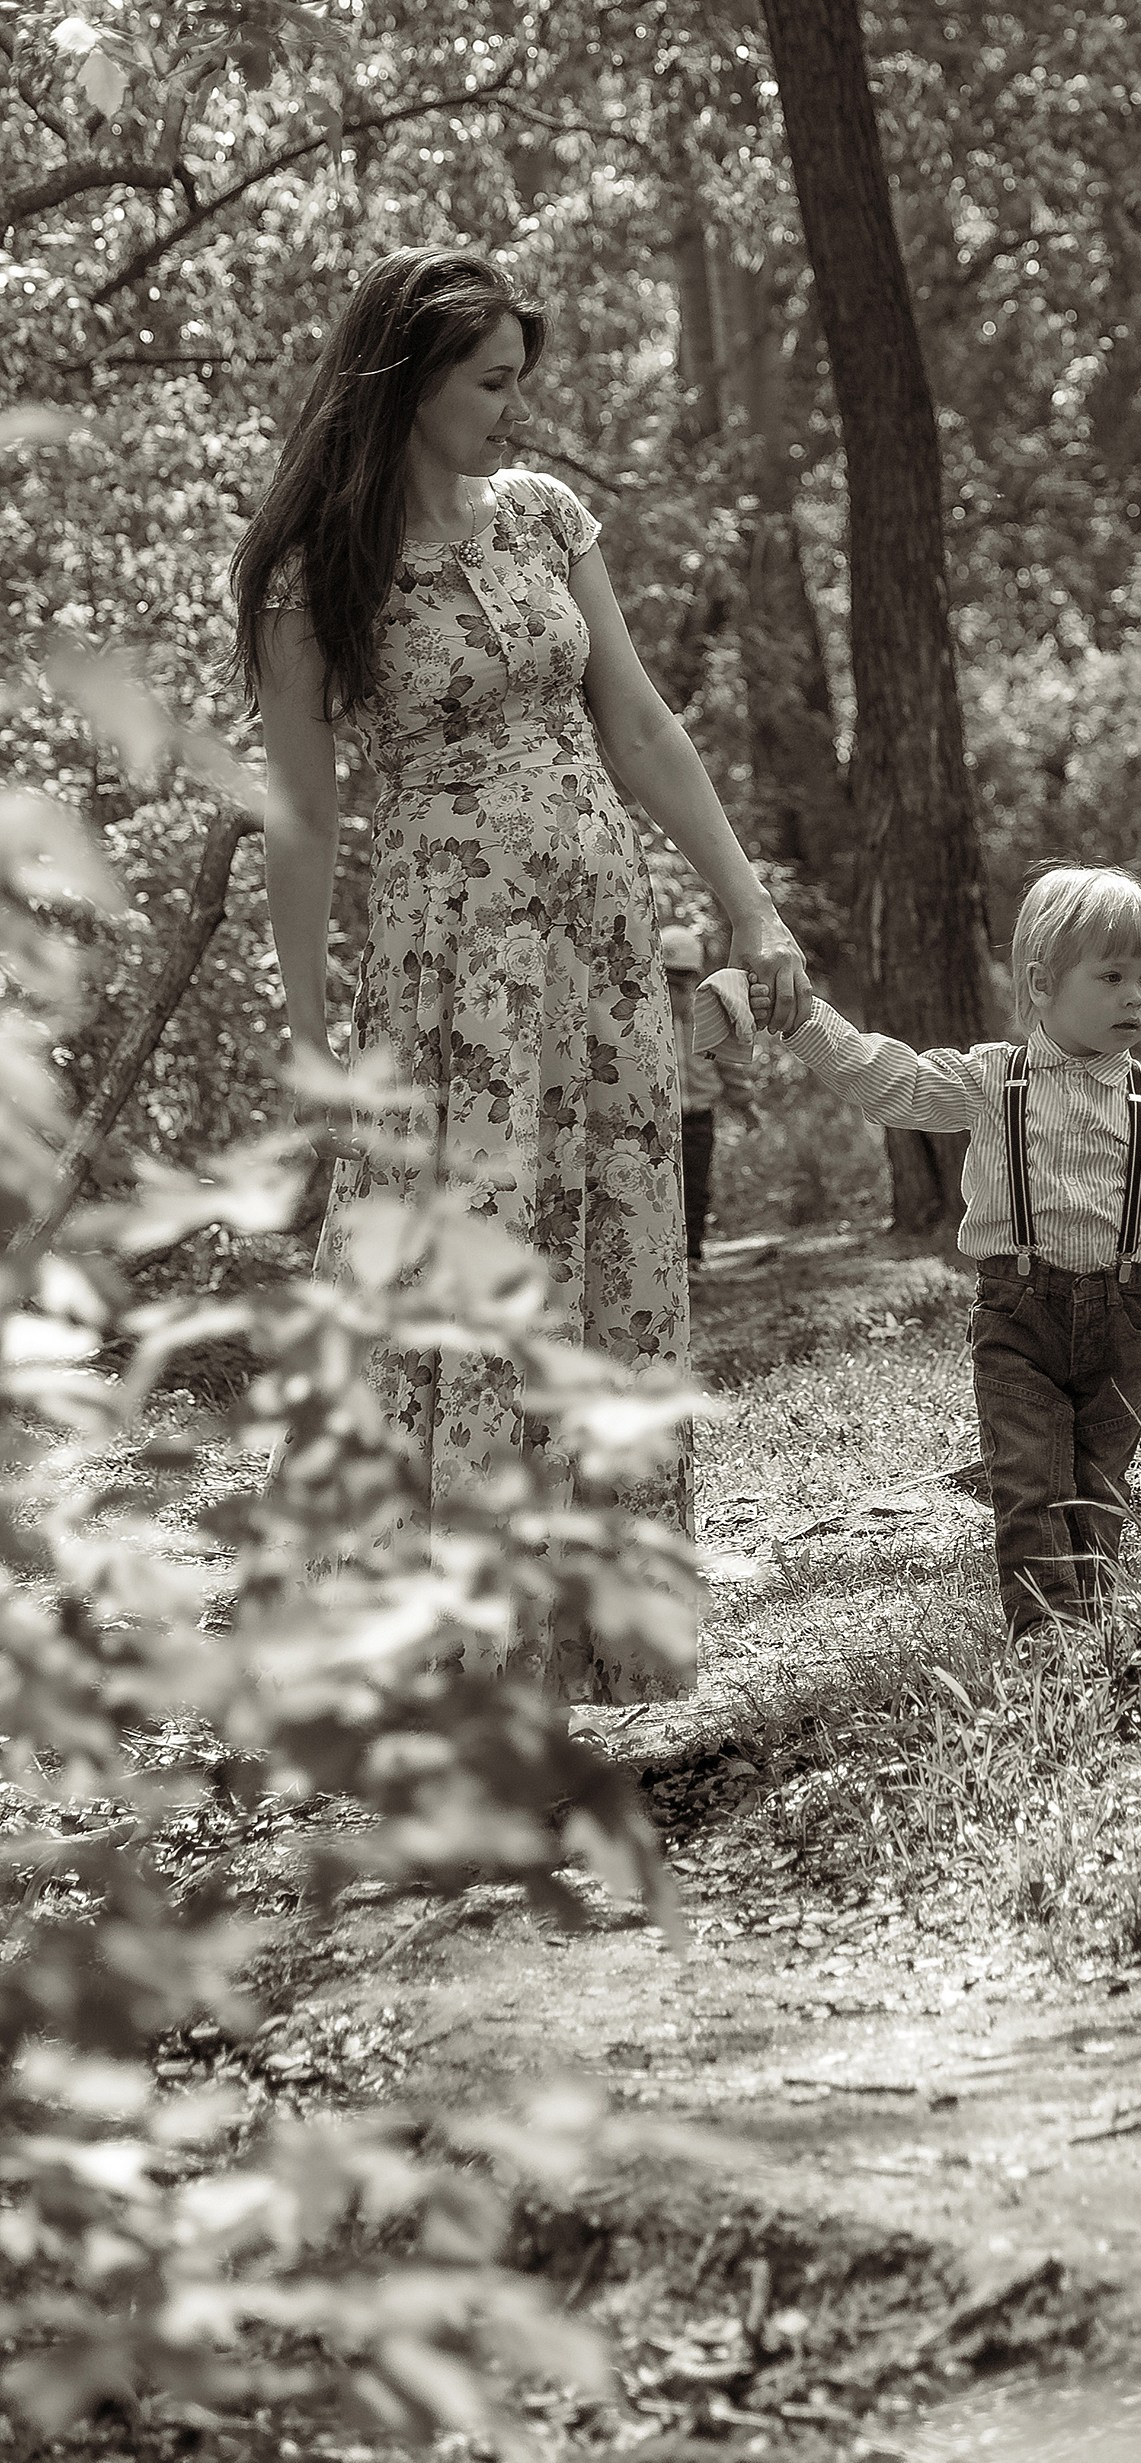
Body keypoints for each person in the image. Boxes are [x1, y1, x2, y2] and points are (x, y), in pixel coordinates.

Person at [230, 248, 809, 1687]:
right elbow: (302, 820)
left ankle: (583, 1641)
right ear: (410, 381)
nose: (512, 410)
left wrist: (748, 908)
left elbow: (640, 724)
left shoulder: (546, 517)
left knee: (610, 1248)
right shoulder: (317, 575)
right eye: (490, 383)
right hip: (451, 981)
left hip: (600, 951)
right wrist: (308, 1036)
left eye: (516, 383)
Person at [701, 865, 1141, 1638]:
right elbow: (891, 1081)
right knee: (1028, 1482)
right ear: (1042, 984)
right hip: (1019, 1319)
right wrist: (807, 1020)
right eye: (1112, 976)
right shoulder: (994, 1079)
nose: (1136, 998)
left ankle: (1094, 1631)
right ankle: (1047, 1640)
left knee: (1099, 1488)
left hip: (1121, 1325)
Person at [658, 922, 757, 1266]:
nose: (677, 994)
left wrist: (744, 1104)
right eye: (669, 983)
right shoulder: (643, 1020)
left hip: (698, 1116)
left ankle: (691, 1254)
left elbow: (727, 1064)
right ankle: (663, 1258)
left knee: (695, 1186)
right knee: (660, 1189)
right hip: (659, 1117)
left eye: (684, 984)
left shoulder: (706, 1017)